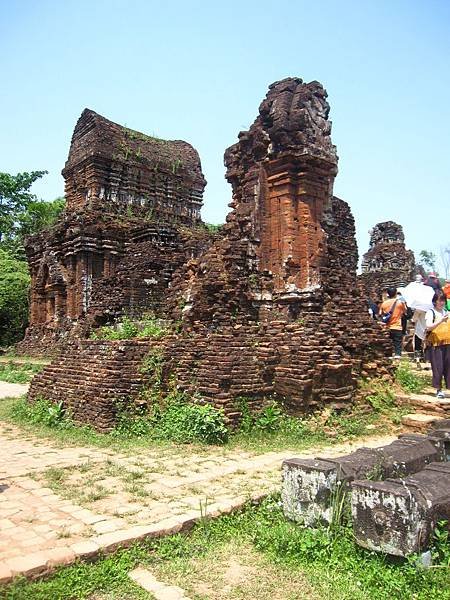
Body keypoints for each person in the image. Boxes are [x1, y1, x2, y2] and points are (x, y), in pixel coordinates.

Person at [425, 290, 450, 399]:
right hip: (436, 345)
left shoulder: (446, 312)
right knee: (438, 367)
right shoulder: (431, 312)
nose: (441, 303)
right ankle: (438, 389)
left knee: (448, 367)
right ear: (435, 301)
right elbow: (428, 327)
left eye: (443, 300)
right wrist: (440, 321)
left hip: (447, 343)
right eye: (439, 300)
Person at [379, 286, 407, 359]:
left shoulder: (384, 303)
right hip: (397, 326)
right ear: (395, 293)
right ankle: (397, 359)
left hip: (387, 327)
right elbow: (405, 312)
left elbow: (380, 314)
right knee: (397, 345)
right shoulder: (400, 303)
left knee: (388, 345)